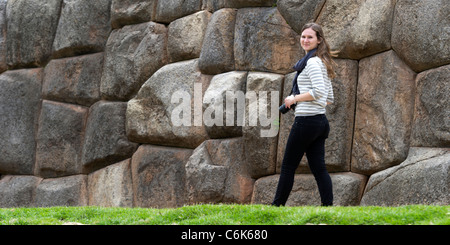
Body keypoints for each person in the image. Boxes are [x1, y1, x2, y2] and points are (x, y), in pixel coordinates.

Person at [272, 23, 336, 207]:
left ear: (319, 40)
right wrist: (310, 104)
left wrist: (294, 99)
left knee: (288, 167)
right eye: (303, 36)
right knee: (319, 168)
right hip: (319, 122)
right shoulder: (320, 62)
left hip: (307, 123)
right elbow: (328, 97)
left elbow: (318, 92)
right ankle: (327, 208)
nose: (305, 40)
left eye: (310, 37)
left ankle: (276, 207)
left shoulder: (313, 62)